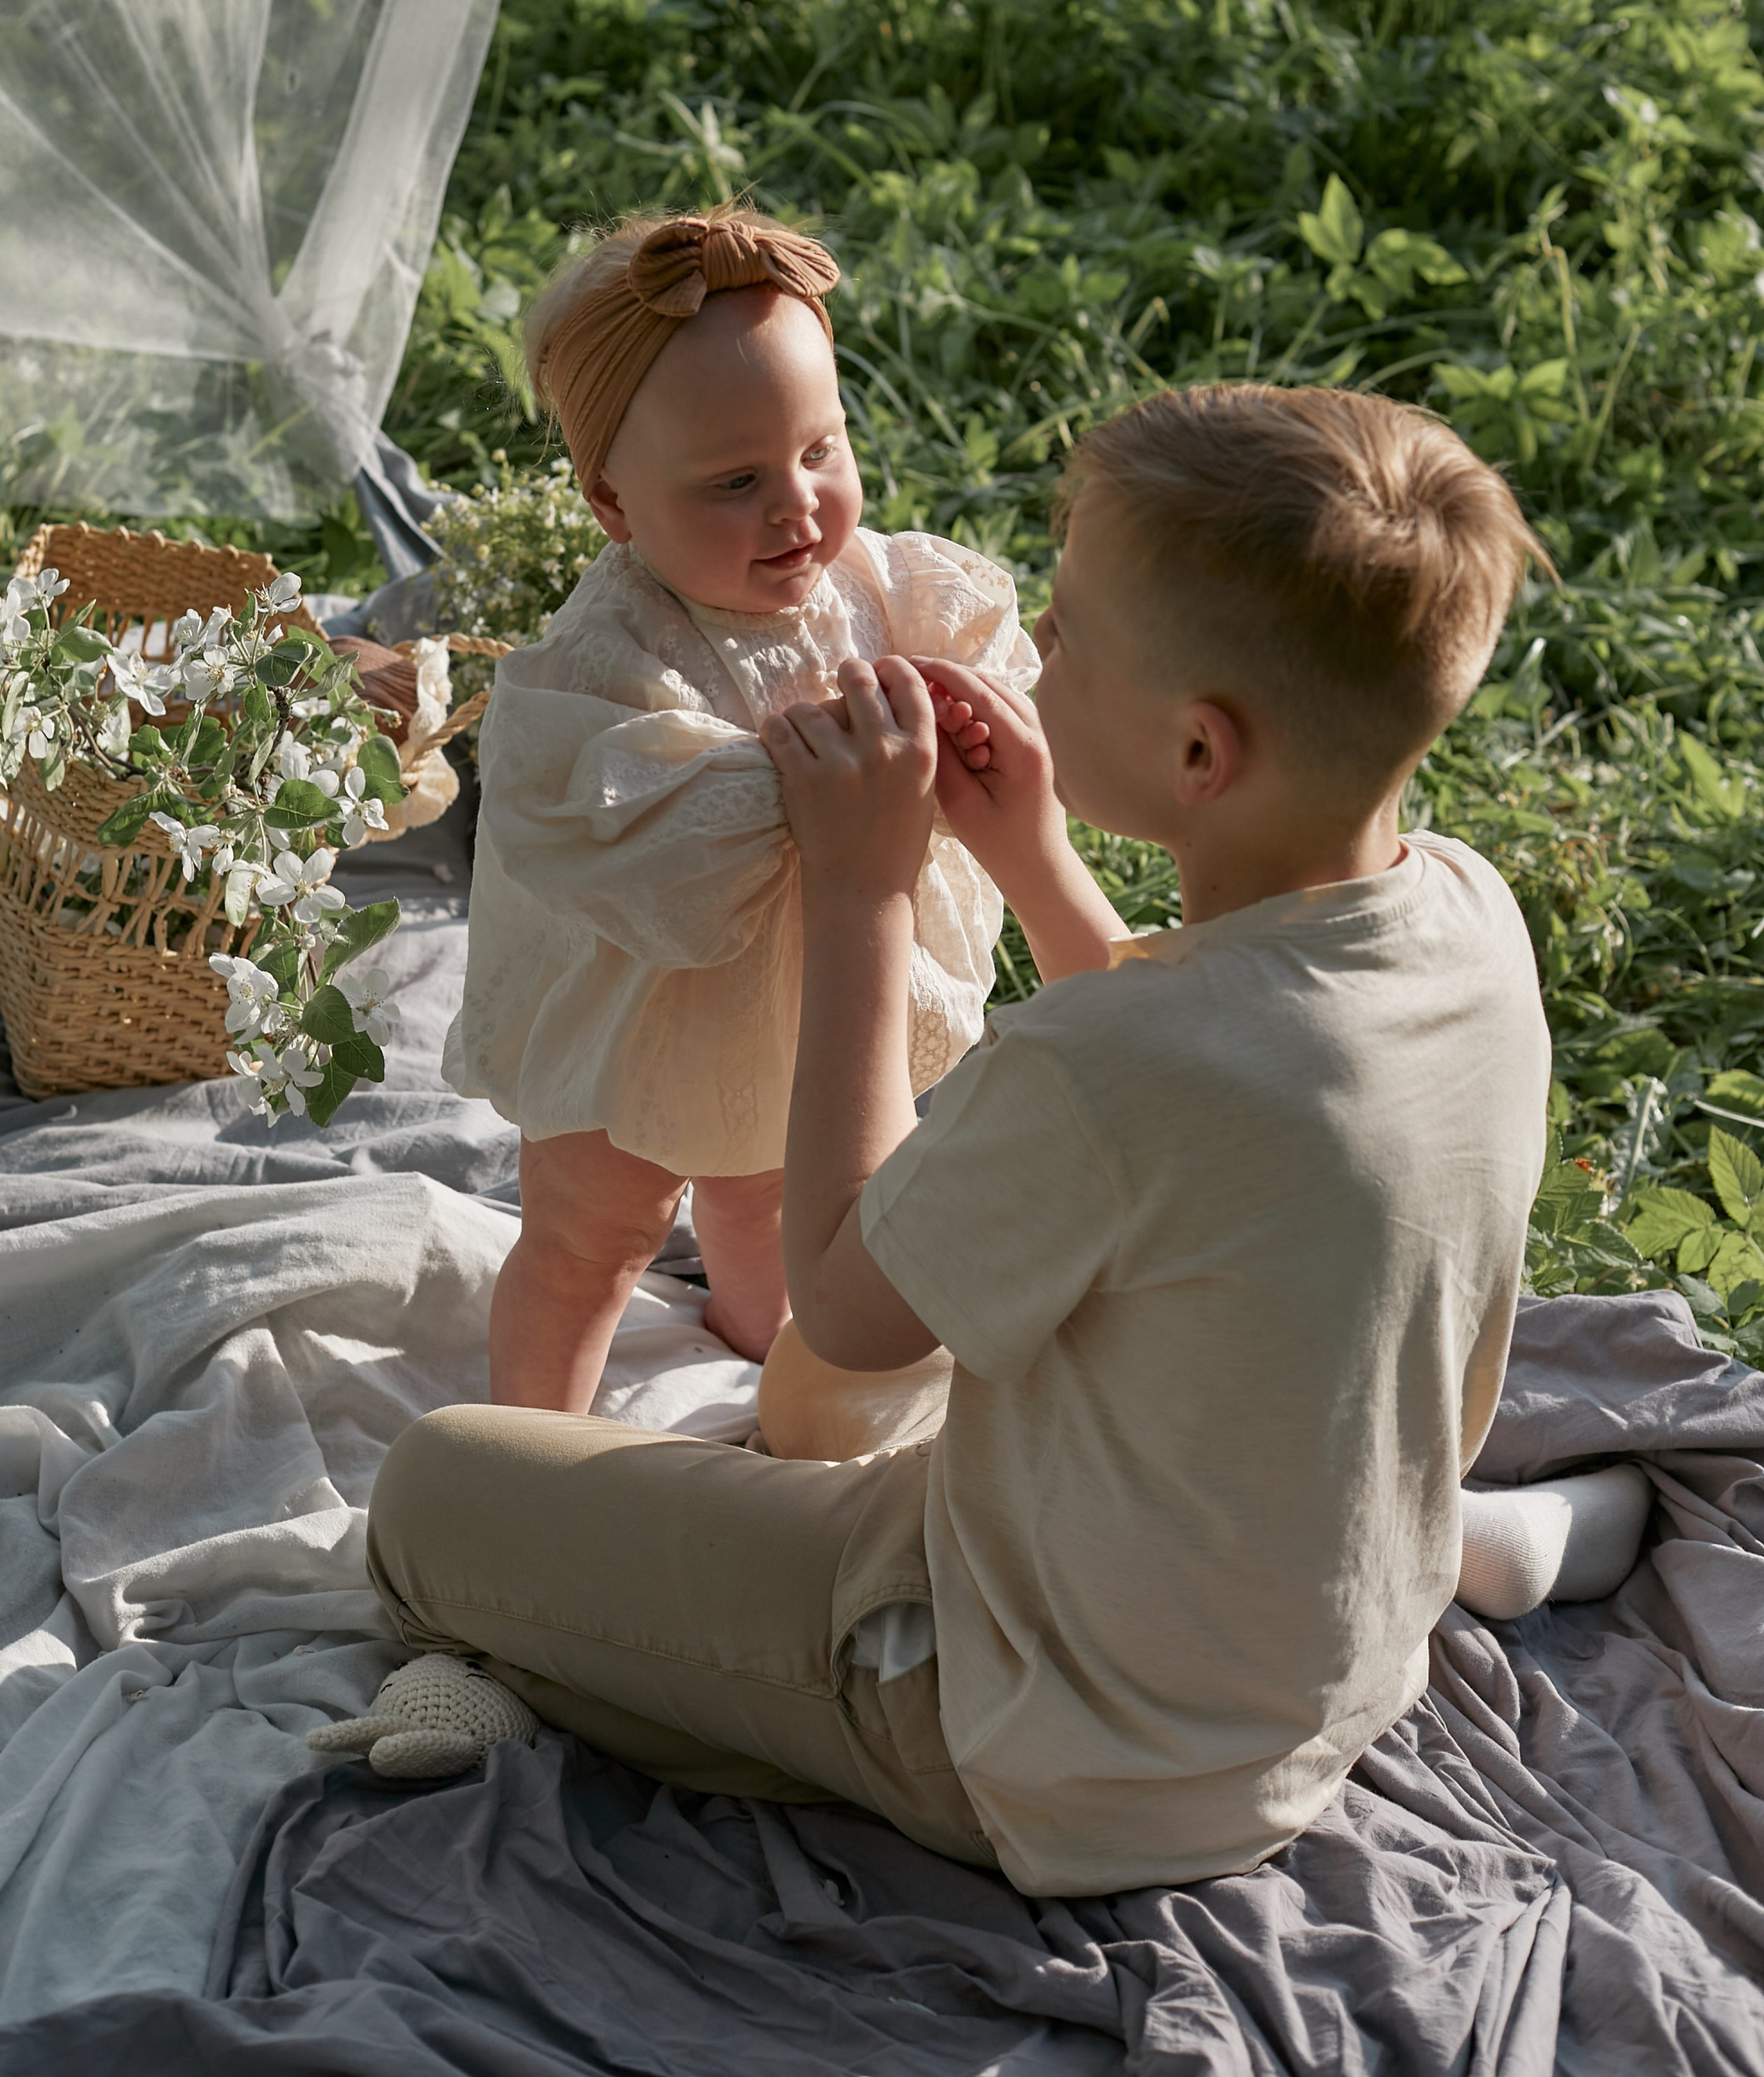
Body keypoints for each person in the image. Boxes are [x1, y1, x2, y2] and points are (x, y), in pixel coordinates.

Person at [338, 382, 1649, 1894]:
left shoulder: (1104, 1072)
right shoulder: (1469, 917)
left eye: (1072, 643)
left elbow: (841, 1296)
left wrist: (862, 897)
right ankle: (1454, 1551)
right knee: (838, 1407)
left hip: (1041, 1746)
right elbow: (1202, 1072)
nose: (1038, 659)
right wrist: (1032, 854)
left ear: (1199, 756)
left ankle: (543, 1670)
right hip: (1314, 1643)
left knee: (438, 1492)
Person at [441, 203, 1040, 1410]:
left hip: (815, 1001)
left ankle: (771, 1327)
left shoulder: (870, 588)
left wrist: (952, 706)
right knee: (587, 1234)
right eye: (736, 481)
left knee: (778, 1181)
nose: (799, 507)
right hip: (639, 1012)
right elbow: (647, 847)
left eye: (821, 449)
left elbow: (990, 673)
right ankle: (526, 1445)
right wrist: (816, 780)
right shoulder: (605, 664)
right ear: (615, 505)